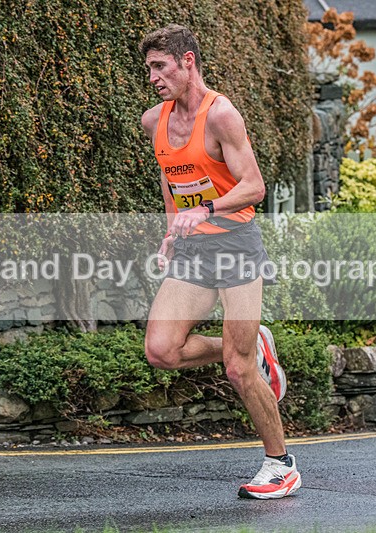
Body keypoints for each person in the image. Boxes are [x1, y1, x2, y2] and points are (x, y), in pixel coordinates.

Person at [139, 24, 301, 500]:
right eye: (148, 68)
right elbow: (172, 181)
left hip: (234, 243)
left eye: (159, 66)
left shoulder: (221, 116)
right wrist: (171, 232)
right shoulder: (155, 121)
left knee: (237, 367)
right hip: (191, 250)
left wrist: (205, 210)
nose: (152, 77)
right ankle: (256, 343)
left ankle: (281, 464)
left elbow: (253, 186)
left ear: (188, 61)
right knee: (162, 350)